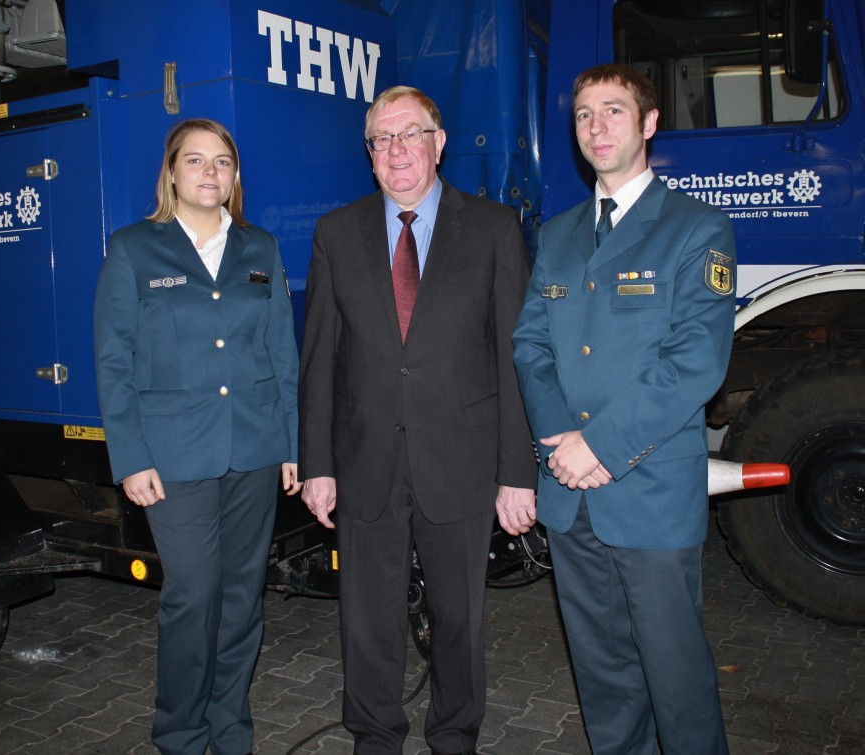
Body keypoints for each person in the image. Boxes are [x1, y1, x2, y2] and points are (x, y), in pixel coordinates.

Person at [298, 85, 537, 754]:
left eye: (410, 134)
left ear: (439, 142)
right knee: (367, 619)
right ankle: (375, 734)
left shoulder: (492, 229)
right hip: (364, 460)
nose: (396, 150)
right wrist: (316, 463)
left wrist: (517, 472)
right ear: (369, 154)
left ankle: (455, 732)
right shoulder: (336, 233)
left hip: (460, 461)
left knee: (459, 617)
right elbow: (319, 360)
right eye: (382, 139)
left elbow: (515, 358)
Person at [512, 63, 735, 753]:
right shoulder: (559, 233)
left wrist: (599, 447)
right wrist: (555, 436)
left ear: (648, 124)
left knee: (675, 673)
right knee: (603, 673)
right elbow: (530, 342)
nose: (596, 127)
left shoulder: (696, 230)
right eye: (584, 115)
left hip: (648, 491)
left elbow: (693, 363)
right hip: (569, 489)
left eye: (613, 111)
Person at [93, 118, 301, 755]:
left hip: (256, 448)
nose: (210, 172)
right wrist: (129, 457)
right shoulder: (134, 249)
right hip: (173, 456)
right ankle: (180, 734)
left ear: (235, 176)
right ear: (172, 174)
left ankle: (230, 727)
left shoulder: (260, 248)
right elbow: (113, 360)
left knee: (243, 597)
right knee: (192, 595)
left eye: (223, 162)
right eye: (195, 160)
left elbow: (283, 354)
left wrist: (294, 444)